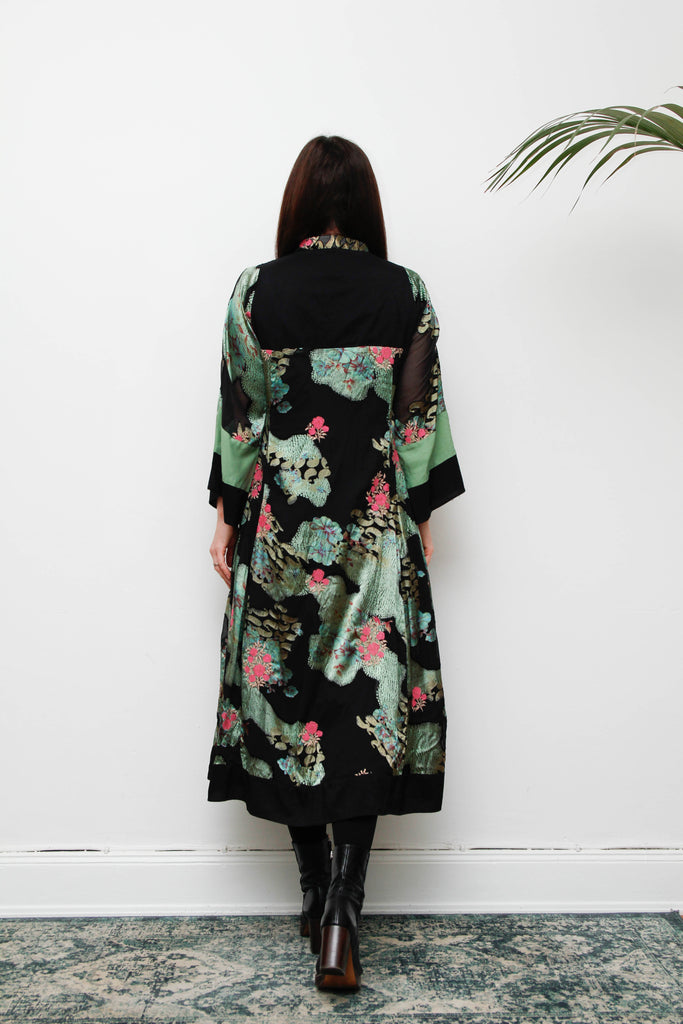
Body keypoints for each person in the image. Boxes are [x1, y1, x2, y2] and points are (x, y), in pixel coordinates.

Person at [206, 135, 465, 992]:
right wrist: (419, 513)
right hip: (374, 537)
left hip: (281, 534)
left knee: (289, 705)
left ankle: (313, 892)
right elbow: (418, 418)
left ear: (297, 204)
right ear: (364, 205)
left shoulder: (256, 290)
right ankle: (341, 913)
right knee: (363, 709)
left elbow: (240, 417)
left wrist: (225, 517)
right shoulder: (404, 292)